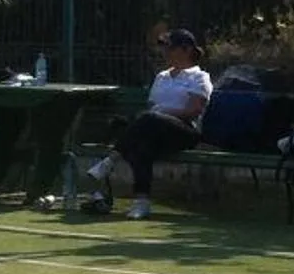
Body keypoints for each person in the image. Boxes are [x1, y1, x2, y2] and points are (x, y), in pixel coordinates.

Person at [81, 28, 210, 219]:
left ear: (186, 50)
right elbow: (150, 108)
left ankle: (109, 162)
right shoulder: (162, 77)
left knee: (150, 118)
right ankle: (142, 203)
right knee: (141, 148)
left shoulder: (199, 77)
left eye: (170, 48)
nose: (165, 52)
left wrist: (163, 113)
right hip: (153, 130)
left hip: (184, 132)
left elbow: (194, 111)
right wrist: (154, 115)